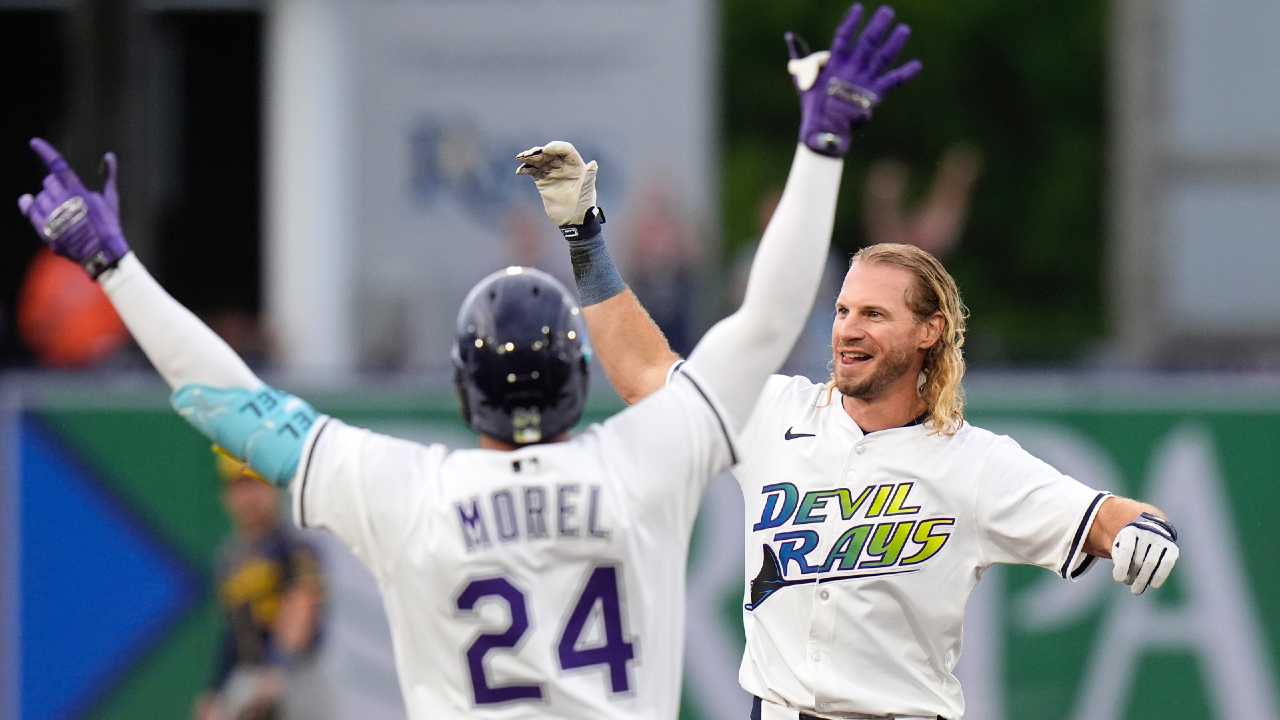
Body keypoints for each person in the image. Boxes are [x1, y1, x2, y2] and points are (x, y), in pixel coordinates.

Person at [12, 6, 904, 712]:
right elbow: (772, 316)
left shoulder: (411, 496)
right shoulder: (646, 463)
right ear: (580, 383)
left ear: (460, 391)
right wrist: (821, 147)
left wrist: (112, 267)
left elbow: (226, 404)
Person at [542, 6, 1181, 720]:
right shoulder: (773, 411)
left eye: (874, 315)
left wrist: (1144, 532)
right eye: (843, 311)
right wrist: (584, 240)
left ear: (931, 332)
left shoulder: (973, 463)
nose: (847, 330)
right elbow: (642, 375)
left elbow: (1114, 515)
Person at [194, 453, 327, 720]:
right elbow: (233, 632)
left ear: (273, 488)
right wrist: (214, 691)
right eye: (239, 485)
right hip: (249, 674)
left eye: (255, 483)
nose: (249, 496)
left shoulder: (294, 546)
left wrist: (278, 667)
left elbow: (302, 608)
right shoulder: (230, 557)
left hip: (297, 673)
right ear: (226, 495)